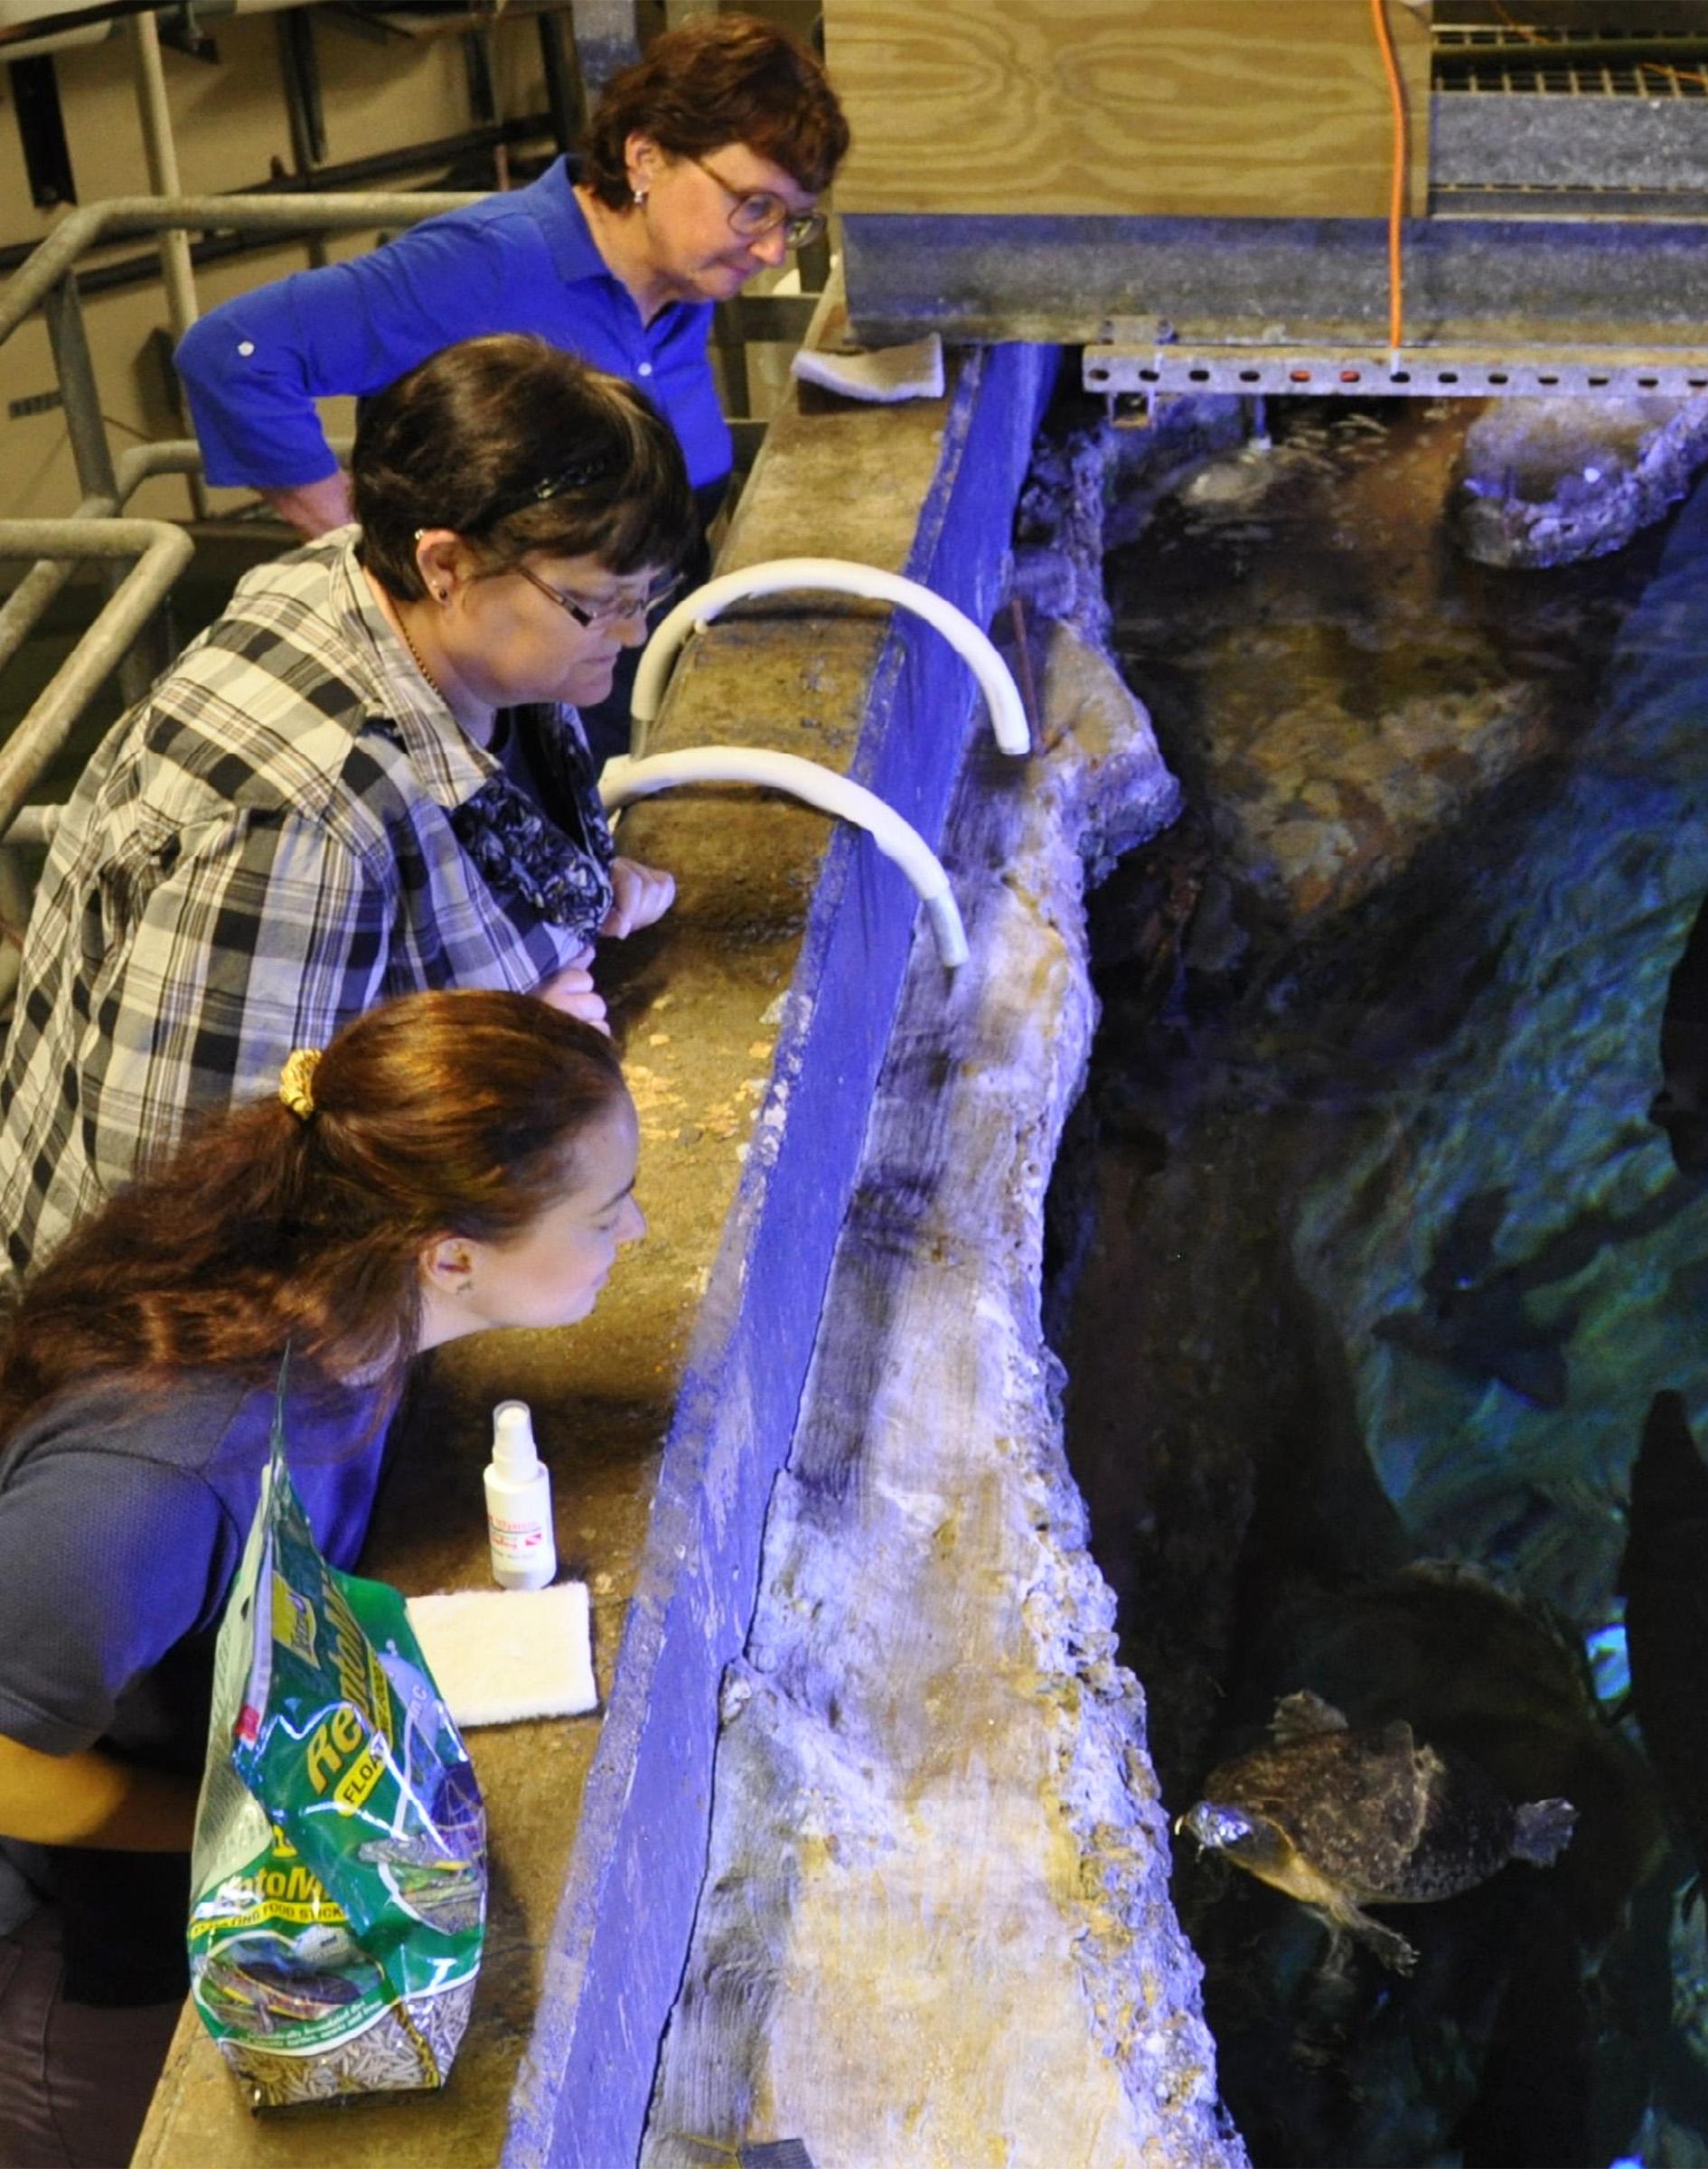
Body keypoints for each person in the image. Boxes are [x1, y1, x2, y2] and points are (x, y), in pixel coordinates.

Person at [0, 987, 643, 2169]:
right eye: (608, 1215)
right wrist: (203, 1830)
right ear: (450, 1255)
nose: (639, 1235)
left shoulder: (349, 1301)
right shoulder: (160, 1477)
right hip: (97, 1975)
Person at [0, 333, 691, 1286]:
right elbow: (180, 1209)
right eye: (597, 603)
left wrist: (557, 889)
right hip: (176, 1356)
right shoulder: (298, 818)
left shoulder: (391, 594)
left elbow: (442, 855)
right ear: (445, 564)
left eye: (647, 595)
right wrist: (480, 1062)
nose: (634, 631)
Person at [174, 12, 851, 755]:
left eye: (793, 221)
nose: (767, 245)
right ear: (647, 157)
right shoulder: (487, 263)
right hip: (513, 730)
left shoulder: (683, 287)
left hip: (631, 681)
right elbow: (233, 354)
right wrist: (362, 556)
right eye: (753, 204)